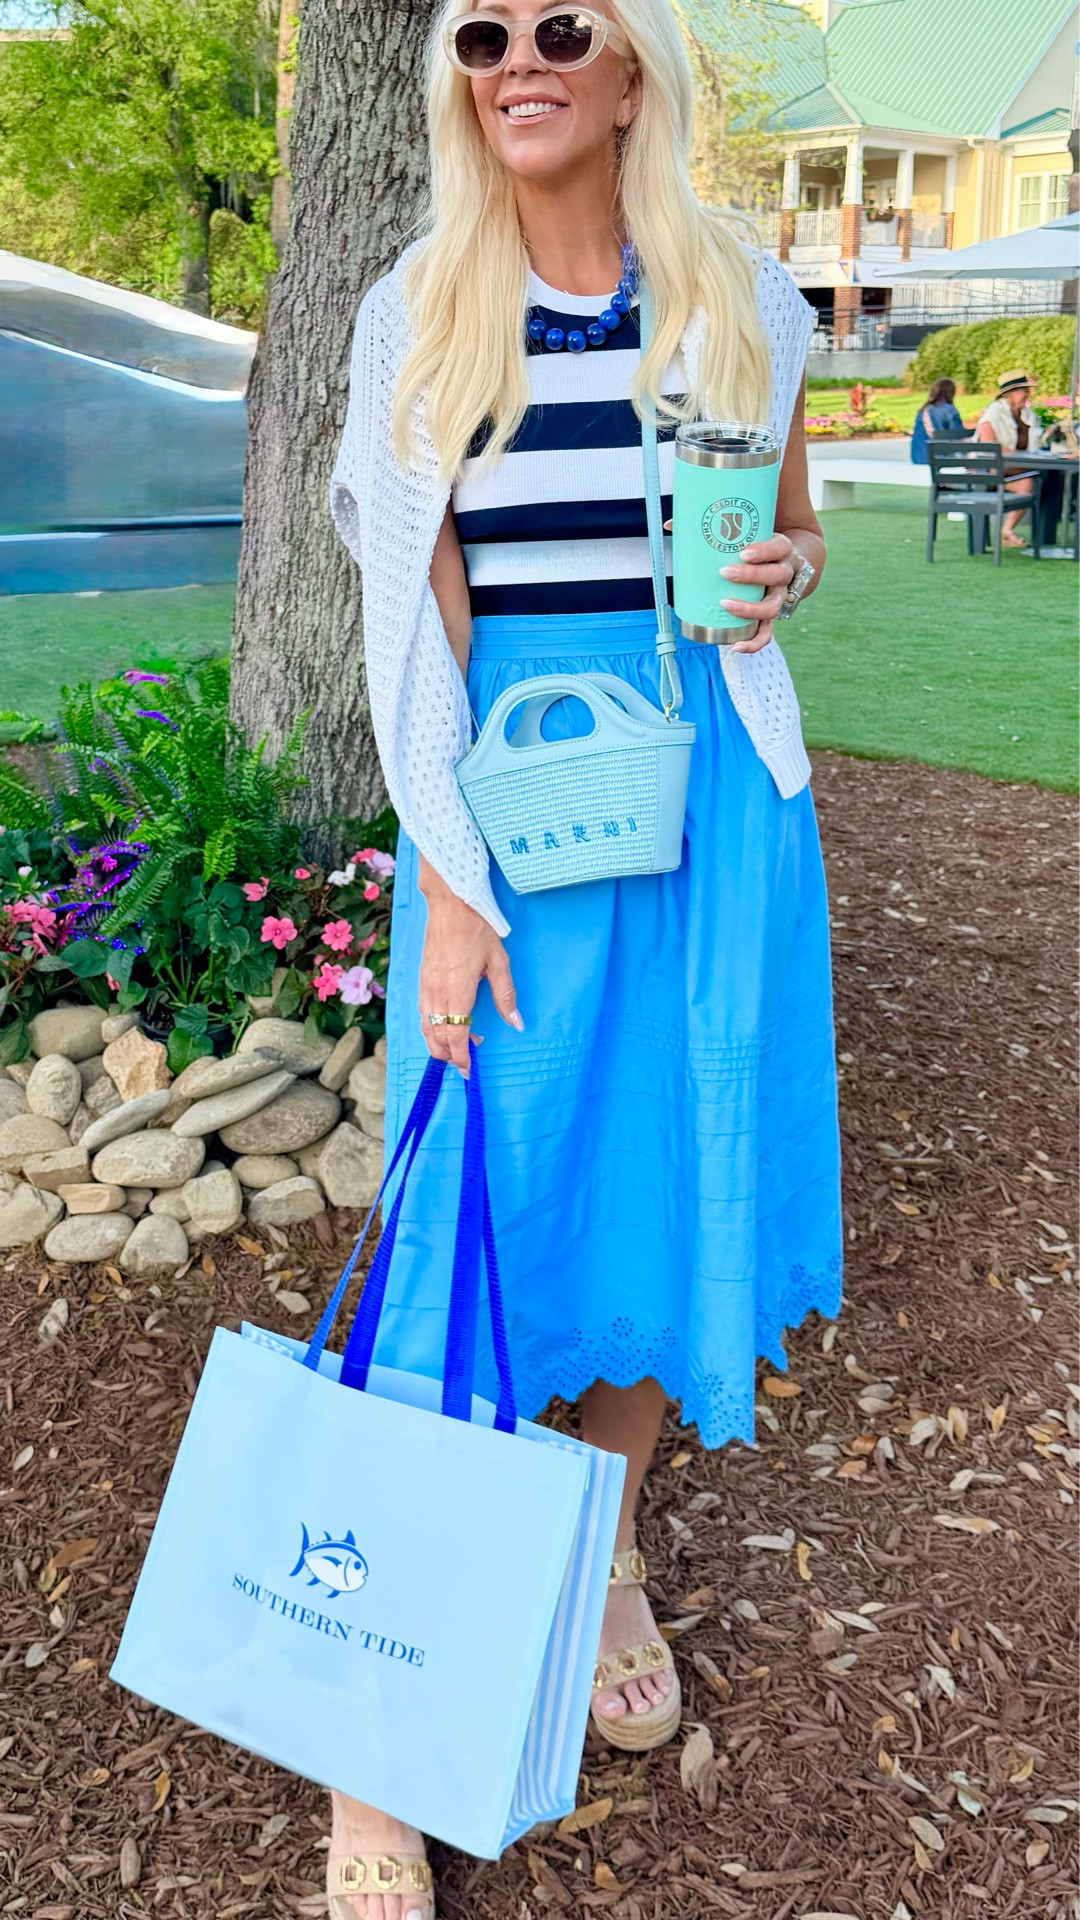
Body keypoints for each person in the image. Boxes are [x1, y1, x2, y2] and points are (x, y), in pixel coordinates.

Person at [327, 0, 841, 1912]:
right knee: (470, 1221)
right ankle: (375, 1752)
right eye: (482, 34)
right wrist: (449, 885)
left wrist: (785, 573)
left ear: (632, 73)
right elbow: (413, 614)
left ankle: (604, 1548)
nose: (516, 61)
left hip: (714, 812)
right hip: (506, 818)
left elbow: (790, 535)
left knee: (670, 1189)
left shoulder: (742, 294)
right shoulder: (418, 309)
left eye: (562, 25)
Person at [976, 369, 1042, 548]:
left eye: (1027, 390)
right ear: (1010, 393)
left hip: (1016, 467)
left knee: (1044, 478)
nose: (1027, 394)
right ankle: (1007, 531)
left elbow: (1035, 441)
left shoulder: (1028, 415)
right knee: (1030, 482)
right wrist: (1019, 456)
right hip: (990, 469)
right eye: (1023, 390)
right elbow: (988, 445)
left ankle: (1012, 532)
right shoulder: (995, 413)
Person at [910, 376, 964, 463]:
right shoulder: (949, 410)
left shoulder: (923, 410)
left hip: (918, 458)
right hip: (940, 458)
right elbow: (958, 434)